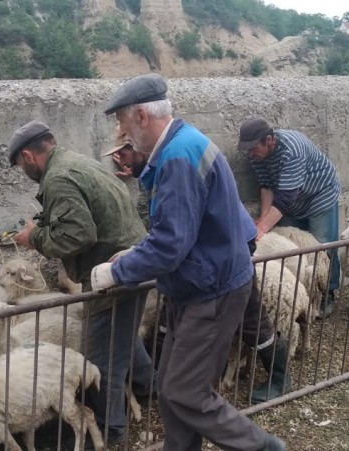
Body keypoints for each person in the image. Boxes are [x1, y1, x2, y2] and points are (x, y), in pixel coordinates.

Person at [91, 73, 286, 451]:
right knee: (171, 388)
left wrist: (116, 272)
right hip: (205, 277)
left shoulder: (178, 158)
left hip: (210, 288)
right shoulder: (184, 143)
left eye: (123, 122)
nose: (122, 132)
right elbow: (179, 224)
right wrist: (136, 254)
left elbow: (170, 244)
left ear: (142, 117)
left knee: (185, 390)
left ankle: (263, 447)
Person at [104, 133, 292, 404]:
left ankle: (279, 376)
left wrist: (122, 270)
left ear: (140, 148)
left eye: (123, 153)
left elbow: (173, 234)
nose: (120, 161)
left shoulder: (173, 164)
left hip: (229, 244)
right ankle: (163, 381)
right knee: (171, 310)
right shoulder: (156, 169)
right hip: (205, 248)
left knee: (250, 315)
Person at [6, 120, 154, 448]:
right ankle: (149, 387)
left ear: (28, 157)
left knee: (102, 354)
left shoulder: (58, 178)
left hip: (114, 273)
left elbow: (78, 234)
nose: (22, 171)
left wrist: (35, 238)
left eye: (19, 165)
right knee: (124, 333)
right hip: (134, 259)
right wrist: (42, 223)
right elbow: (73, 213)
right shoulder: (75, 162)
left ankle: (109, 428)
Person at [237, 117, 342, 319]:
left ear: (269, 140)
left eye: (252, 148)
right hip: (290, 199)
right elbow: (266, 186)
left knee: (323, 245)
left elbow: (284, 198)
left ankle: (327, 292)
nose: (250, 153)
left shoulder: (292, 149)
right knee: (289, 245)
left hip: (319, 194)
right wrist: (263, 219)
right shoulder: (256, 156)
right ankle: (299, 296)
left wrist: (262, 229)